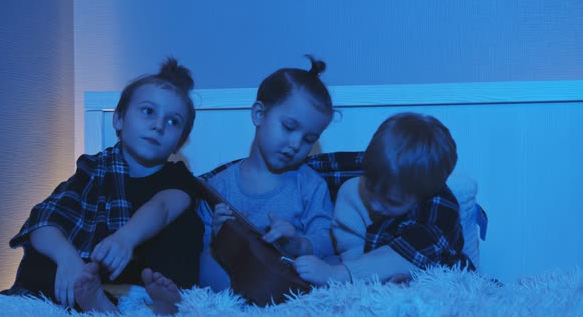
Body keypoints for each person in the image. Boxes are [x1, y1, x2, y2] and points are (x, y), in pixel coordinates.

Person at [7, 57, 204, 315]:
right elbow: (44, 220)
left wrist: (126, 238)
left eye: (173, 121)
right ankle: (97, 301)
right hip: (94, 268)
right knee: (45, 257)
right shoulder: (93, 170)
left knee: (184, 225)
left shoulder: (178, 178)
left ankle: (164, 304)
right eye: (148, 111)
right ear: (119, 120)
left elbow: (163, 207)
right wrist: (68, 259)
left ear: (180, 142)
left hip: (145, 275)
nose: (158, 125)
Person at [197, 55, 336, 291]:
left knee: (327, 268)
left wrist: (298, 245)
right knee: (209, 264)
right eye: (289, 127)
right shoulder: (219, 187)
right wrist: (218, 237)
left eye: (308, 139)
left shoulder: (310, 185)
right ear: (259, 114)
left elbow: (327, 239)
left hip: (288, 283)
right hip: (233, 285)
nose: (295, 144)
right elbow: (198, 247)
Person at [293, 112, 475, 285]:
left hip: (424, 264)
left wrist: (341, 274)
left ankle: (355, 276)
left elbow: (404, 257)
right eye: (371, 188)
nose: (375, 203)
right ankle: (358, 276)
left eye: (392, 201)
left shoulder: (440, 209)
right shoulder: (379, 167)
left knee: (436, 282)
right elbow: (326, 167)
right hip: (361, 261)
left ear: (422, 195)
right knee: (351, 188)